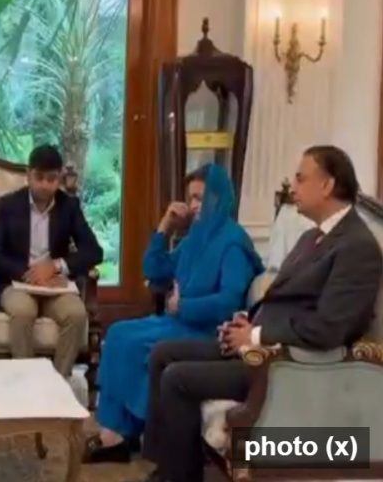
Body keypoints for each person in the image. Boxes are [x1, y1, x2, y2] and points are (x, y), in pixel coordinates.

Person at [136, 145, 383, 482]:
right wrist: (248, 324)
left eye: (301, 178)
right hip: (263, 344)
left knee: (177, 378)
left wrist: (255, 336)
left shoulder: (357, 247)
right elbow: (285, 300)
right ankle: (167, 467)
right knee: (163, 353)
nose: (293, 186)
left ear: (327, 185)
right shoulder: (312, 236)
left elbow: (328, 328)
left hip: (290, 365)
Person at [84, 164, 263, 463]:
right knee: (117, 333)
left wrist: (184, 306)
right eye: (190, 198)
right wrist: (164, 227)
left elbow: (229, 302)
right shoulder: (196, 236)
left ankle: (128, 433)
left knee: (131, 343)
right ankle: (116, 431)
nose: (194, 206)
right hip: (178, 322)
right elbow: (155, 269)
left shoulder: (233, 242)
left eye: (200, 198)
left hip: (206, 330)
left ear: (219, 198)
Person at [0, 144, 103, 378]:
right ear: (28, 175)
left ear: (59, 178)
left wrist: (56, 267)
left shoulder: (69, 206)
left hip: (54, 285)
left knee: (76, 314)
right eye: (39, 178)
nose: (45, 185)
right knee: (23, 312)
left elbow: (94, 251)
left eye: (51, 179)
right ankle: (27, 384)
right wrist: (29, 274)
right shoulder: (8, 205)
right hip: (15, 282)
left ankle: (58, 383)